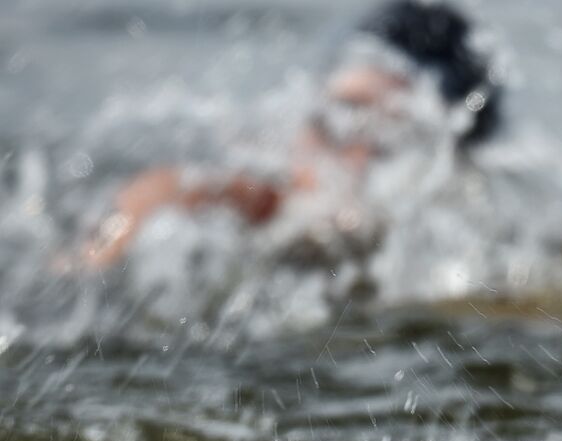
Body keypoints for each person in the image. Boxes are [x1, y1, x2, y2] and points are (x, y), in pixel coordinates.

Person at [79, 0, 502, 269]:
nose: (356, 161)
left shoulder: (478, 260)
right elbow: (160, 198)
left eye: (390, 142)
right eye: (337, 122)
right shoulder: (235, 206)